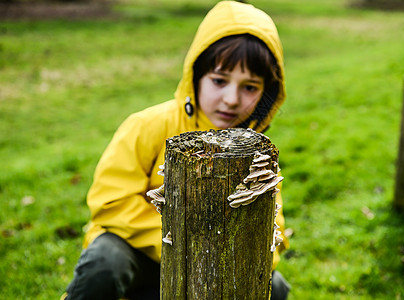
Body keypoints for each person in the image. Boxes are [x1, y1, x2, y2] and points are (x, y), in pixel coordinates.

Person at [63, 1, 290, 299]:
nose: (232, 99)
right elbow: (111, 202)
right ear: (195, 75)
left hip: (214, 271)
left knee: (275, 288)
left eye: (250, 87)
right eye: (219, 81)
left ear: (266, 93)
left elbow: (273, 228)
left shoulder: (256, 152)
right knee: (105, 261)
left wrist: (218, 259)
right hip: (141, 254)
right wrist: (186, 247)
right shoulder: (148, 125)